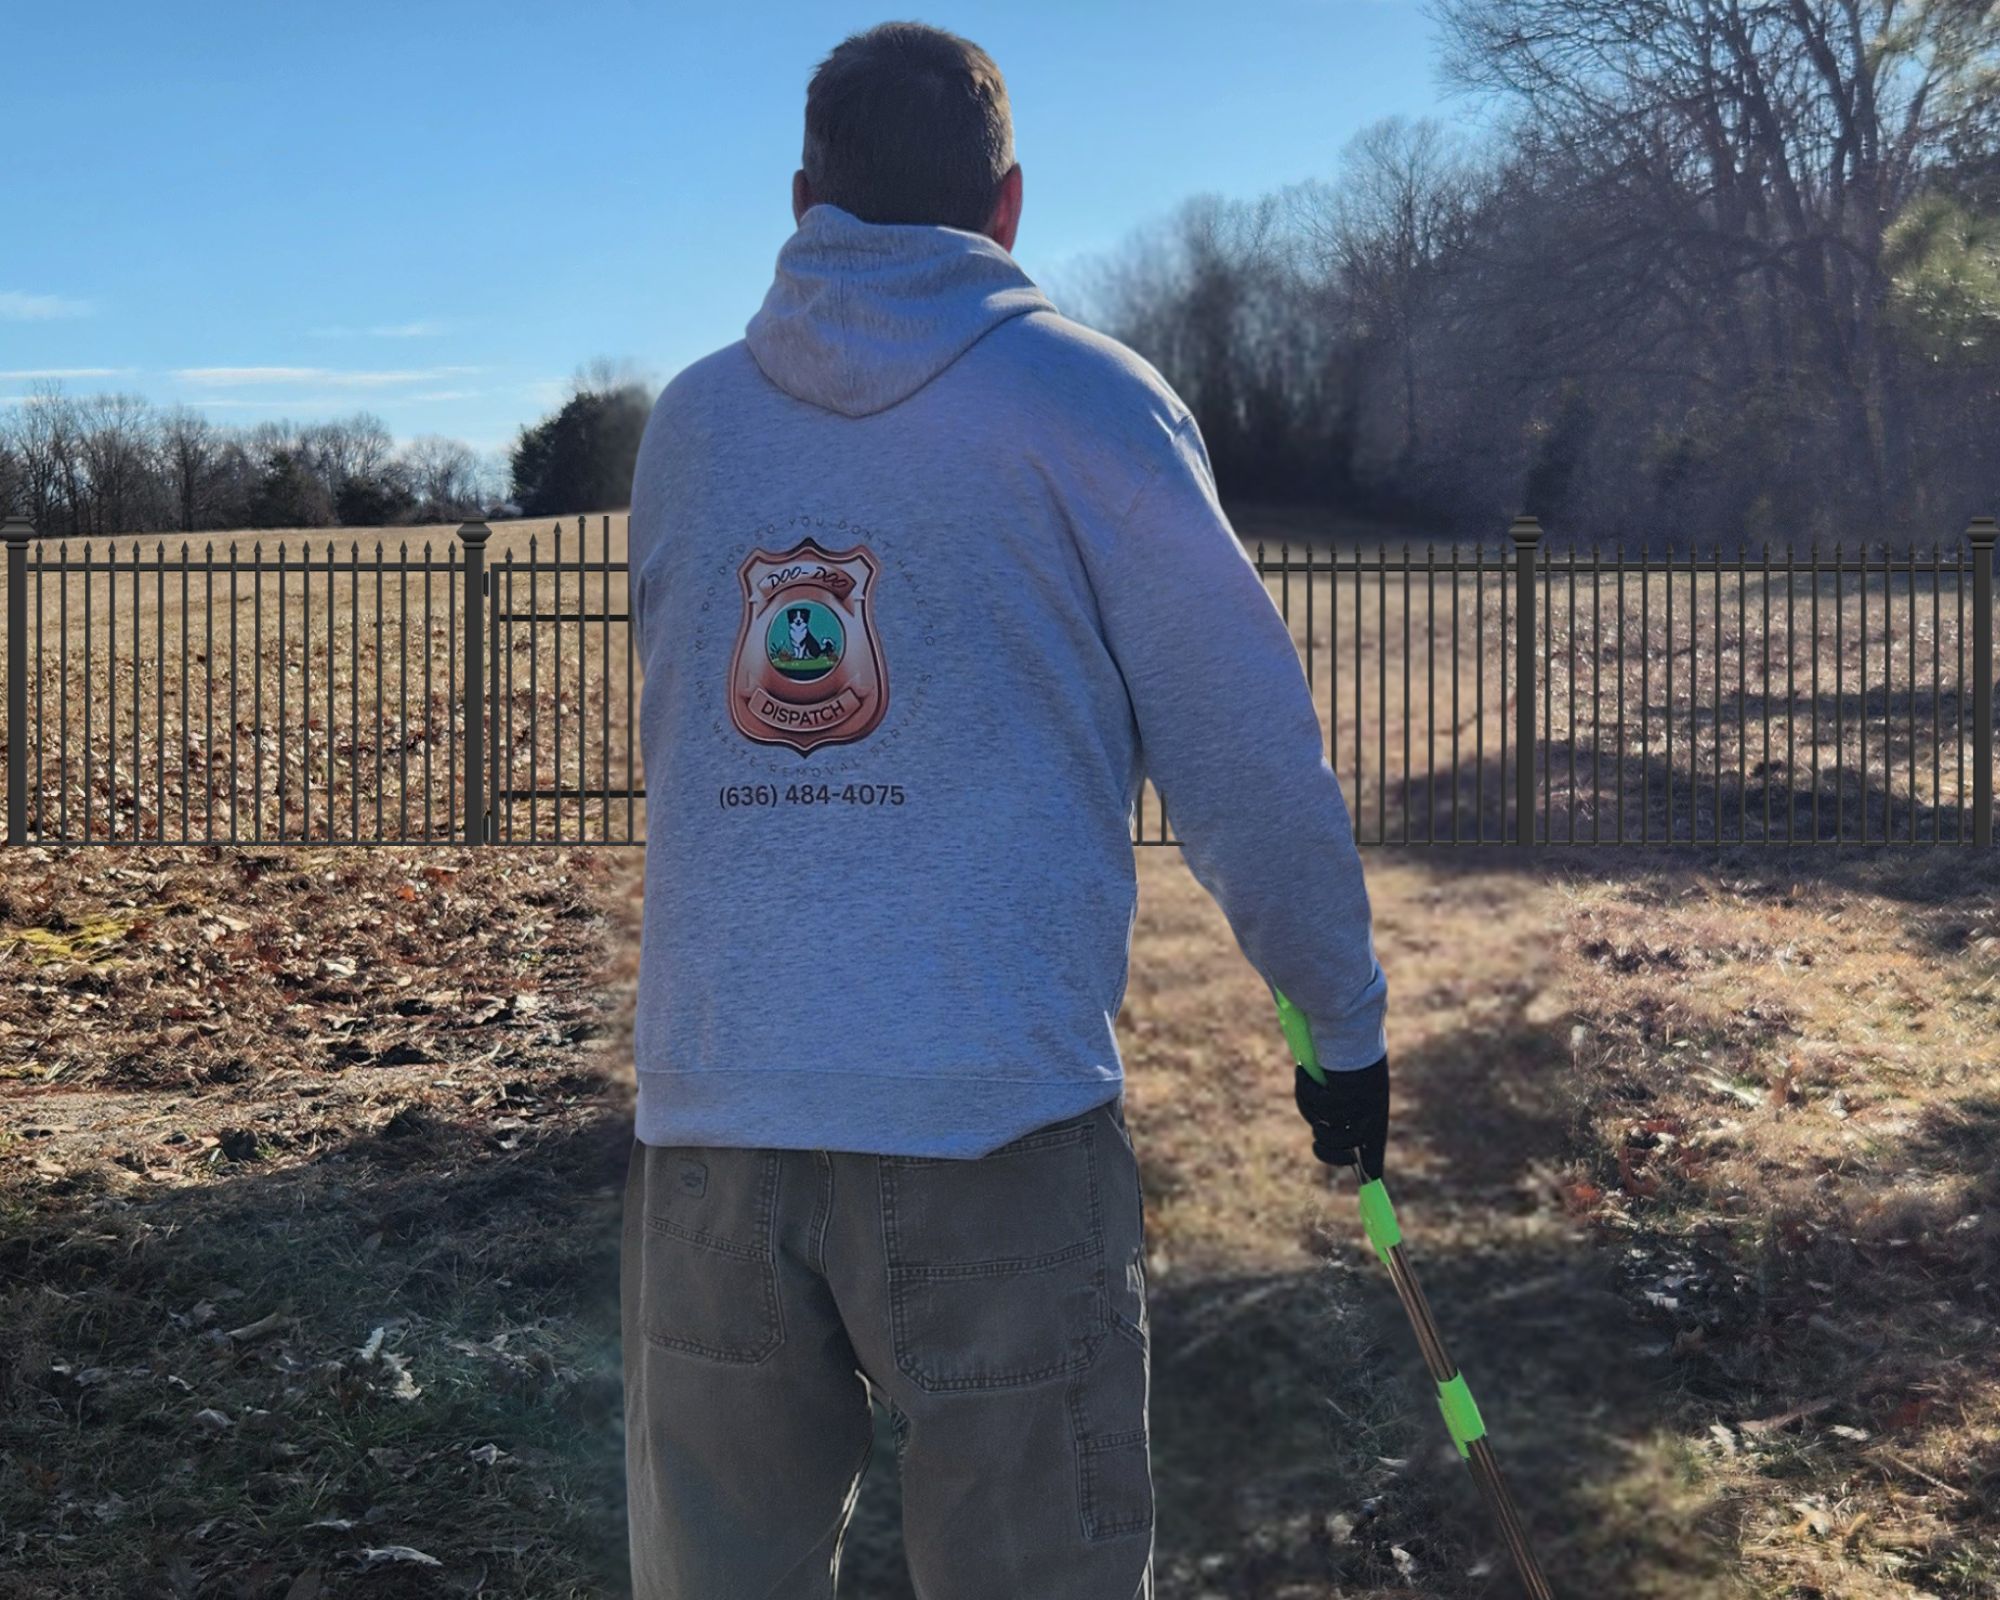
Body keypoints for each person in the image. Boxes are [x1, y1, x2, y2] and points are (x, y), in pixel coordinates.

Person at [621, 21, 1389, 1599]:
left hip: (709, 1135)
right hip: (994, 1129)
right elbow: (1249, 760)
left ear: (801, 198)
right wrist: (1344, 1029)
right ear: (1010, 206)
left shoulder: (691, 426)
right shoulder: (1088, 404)